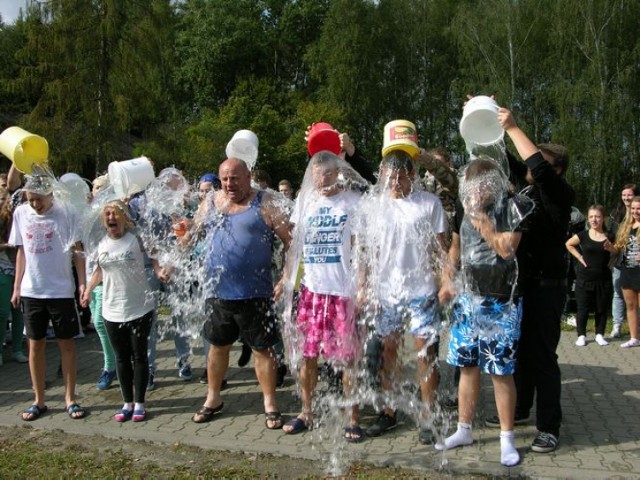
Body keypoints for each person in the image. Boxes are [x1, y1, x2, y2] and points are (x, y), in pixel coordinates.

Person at [437, 157, 529, 467]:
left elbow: (506, 249)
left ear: (494, 186)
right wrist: (448, 279)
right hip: (468, 299)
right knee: (467, 367)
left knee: (501, 371)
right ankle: (464, 429)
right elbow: (456, 245)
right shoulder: (466, 207)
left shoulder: (514, 206)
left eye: (480, 190)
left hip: (502, 302)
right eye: (471, 191)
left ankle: (507, 439)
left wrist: (485, 225)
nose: (474, 196)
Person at [190, 158, 290, 430]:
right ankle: (213, 398)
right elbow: (192, 235)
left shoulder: (266, 202)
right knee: (217, 347)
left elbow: (291, 241)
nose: (229, 184)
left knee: (262, 349)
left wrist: (286, 277)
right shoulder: (211, 202)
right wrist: (181, 236)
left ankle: (270, 403)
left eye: (234, 178)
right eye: (224, 179)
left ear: (248, 177)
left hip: (256, 292)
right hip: (219, 292)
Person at [497, 107, 575, 454]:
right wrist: (485, 118)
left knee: (542, 358)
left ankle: (549, 426)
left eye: (539, 163)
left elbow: (536, 169)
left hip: (548, 289)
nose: (529, 167)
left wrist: (513, 125)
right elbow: (509, 160)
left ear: (556, 170)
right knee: (520, 353)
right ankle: (522, 407)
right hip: (523, 287)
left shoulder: (560, 195)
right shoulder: (526, 190)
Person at [358, 151, 447, 445]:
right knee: (388, 352)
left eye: (400, 177)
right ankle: (388, 410)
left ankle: (428, 413)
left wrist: (444, 281)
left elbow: (441, 249)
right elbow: (365, 253)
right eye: (389, 176)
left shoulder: (428, 204)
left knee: (425, 354)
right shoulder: (374, 207)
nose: (394, 183)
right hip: (386, 293)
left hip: (421, 291)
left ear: (411, 174)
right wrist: (364, 287)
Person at [283, 151, 363, 441]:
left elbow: (360, 248)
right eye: (317, 174)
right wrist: (285, 277)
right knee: (308, 356)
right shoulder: (305, 201)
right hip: (312, 292)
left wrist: (362, 285)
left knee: (348, 359)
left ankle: (352, 417)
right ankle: (307, 411)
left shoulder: (352, 202)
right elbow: (294, 246)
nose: (322, 179)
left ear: (337, 172)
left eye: (328, 173)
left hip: (342, 292)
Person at [9, 174, 88, 421]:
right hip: (33, 290)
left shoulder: (67, 213)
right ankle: (39, 400)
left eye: (39, 200)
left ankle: (70, 398)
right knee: (35, 345)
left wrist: (82, 283)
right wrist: (17, 286)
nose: (35, 205)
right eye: (31, 200)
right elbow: (22, 251)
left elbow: (77, 251)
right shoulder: (21, 213)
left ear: (50, 194)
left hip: (61, 290)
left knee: (66, 344)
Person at [81, 201, 165, 422]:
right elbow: (98, 270)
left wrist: (158, 269)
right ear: (104, 221)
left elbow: (155, 254)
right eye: (108, 214)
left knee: (139, 356)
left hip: (140, 307)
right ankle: (127, 402)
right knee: (121, 357)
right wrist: (88, 290)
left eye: (116, 214)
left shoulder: (136, 238)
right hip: (112, 309)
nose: (112, 217)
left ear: (124, 218)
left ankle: (140, 403)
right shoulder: (101, 243)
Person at [565, 205, 616, 346]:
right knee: (583, 307)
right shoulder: (583, 235)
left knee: (601, 307)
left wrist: (612, 251)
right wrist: (579, 256)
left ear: (603, 218)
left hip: (603, 278)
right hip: (584, 278)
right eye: (591, 216)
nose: (594, 219)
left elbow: (616, 254)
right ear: (588, 218)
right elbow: (568, 244)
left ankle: (600, 334)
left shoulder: (609, 235)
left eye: (597, 216)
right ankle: (581, 335)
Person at [88, 174, 118, 389]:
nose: (95, 190)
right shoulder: (87, 215)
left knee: (100, 322)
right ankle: (115, 363)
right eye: (94, 187)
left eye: (100, 187)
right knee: (98, 323)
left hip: (108, 277)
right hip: (90, 276)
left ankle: (110, 366)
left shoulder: (112, 215)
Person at [0, 186, 27, 365]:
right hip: (3, 269)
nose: (6, 203)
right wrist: (7, 246)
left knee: (18, 312)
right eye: (3, 199)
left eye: (7, 199)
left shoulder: (19, 218)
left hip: (20, 269)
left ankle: (17, 350)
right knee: (3, 312)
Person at [609, 184, 640, 338]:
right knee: (622, 297)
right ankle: (620, 326)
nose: (626, 198)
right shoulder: (616, 215)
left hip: (638, 268)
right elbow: (615, 239)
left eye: (629, 195)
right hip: (623, 264)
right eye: (624, 195)